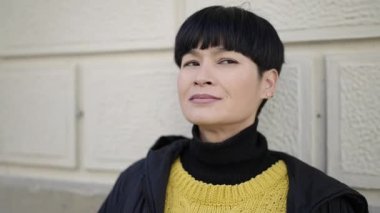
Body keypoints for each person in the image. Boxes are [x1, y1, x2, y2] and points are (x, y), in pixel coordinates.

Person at [98, 5, 368, 213]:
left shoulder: (321, 201)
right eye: (191, 62)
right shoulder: (137, 184)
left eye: (226, 60)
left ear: (268, 83)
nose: (201, 76)